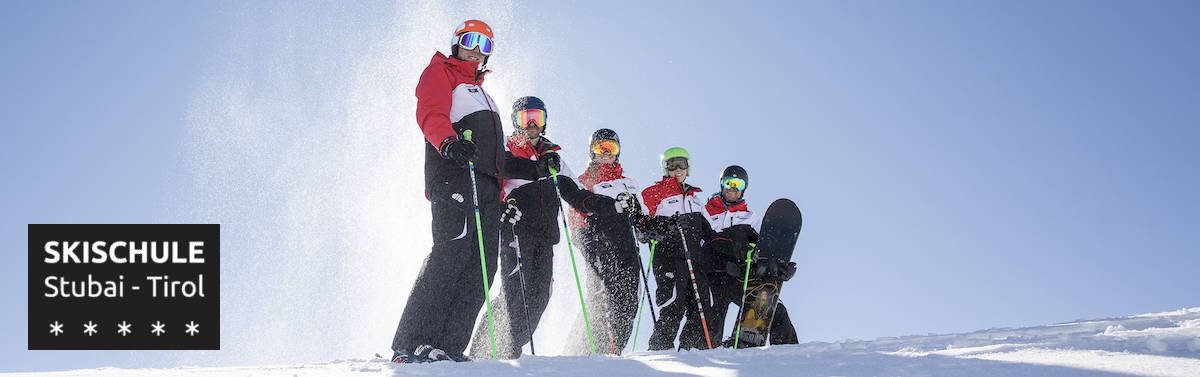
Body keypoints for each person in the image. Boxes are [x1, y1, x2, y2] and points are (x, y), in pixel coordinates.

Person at [390, 19, 527, 363]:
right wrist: (448, 143)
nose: (476, 49)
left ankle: (447, 345)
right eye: (470, 40)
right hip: (454, 176)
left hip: (486, 189)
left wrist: (503, 198)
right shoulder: (442, 73)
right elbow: (430, 113)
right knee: (451, 253)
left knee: (482, 266)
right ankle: (412, 341)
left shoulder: (486, 96)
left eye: (485, 45)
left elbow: (497, 158)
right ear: (456, 42)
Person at [465, 96, 567, 359]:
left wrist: (605, 208)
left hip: (546, 235)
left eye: (537, 118)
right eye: (525, 118)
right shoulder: (506, 150)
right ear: (515, 122)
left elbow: (575, 190)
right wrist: (501, 209)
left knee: (539, 297)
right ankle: (480, 353)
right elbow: (494, 177)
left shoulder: (553, 157)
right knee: (513, 295)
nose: (532, 124)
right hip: (517, 228)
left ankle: (508, 345)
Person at [561, 129, 645, 355]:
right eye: (601, 148)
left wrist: (638, 214)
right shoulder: (585, 180)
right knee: (601, 297)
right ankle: (579, 350)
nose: (606, 153)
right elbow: (577, 217)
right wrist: (588, 243)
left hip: (627, 250)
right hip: (598, 245)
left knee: (628, 300)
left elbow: (642, 221)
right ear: (592, 151)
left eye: (611, 148)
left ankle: (613, 351)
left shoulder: (630, 183)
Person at [697, 165, 799, 347]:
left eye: (738, 184)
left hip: (739, 276)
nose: (733, 188)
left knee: (775, 308)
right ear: (721, 184)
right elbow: (701, 244)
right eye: (729, 182)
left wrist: (780, 267)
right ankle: (706, 355)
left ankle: (789, 352)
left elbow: (763, 250)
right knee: (712, 322)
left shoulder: (751, 219)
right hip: (712, 276)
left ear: (744, 188)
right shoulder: (705, 212)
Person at [637, 147, 717, 351]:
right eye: (672, 165)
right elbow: (641, 224)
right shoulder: (653, 193)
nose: (678, 169)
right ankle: (660, 349)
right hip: (669, 257)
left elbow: (709, 233)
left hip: (694, 260)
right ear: (665, 168)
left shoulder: (695, 198)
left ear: (688, 167)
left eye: (682, 164)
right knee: (673, 304)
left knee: (701, 308)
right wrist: (665, 225)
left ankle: (691, 350)